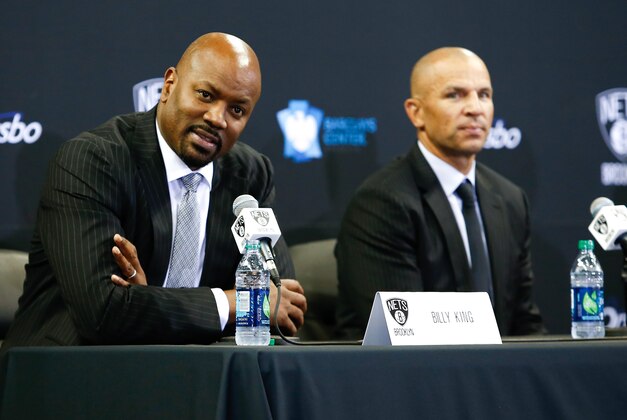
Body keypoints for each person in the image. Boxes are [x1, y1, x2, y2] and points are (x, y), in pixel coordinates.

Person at [1, 33, 306, 353]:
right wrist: (240, 303)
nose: (217, 118)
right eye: (205, 95)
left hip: (192, 375)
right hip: (67, 371)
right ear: (169, 85)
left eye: (237, 111)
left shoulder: (250, 175)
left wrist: (148, 303)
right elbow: (103, 313)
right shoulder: (93, 162)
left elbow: (284, 307)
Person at [335, 47, 545, 339]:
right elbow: (404, 332)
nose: (475, 108)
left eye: (484, 94)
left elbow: (524, 322)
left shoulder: (510, 200)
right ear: (416, 112)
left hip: (500, 377)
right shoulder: (382, 202)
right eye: (455, 95)